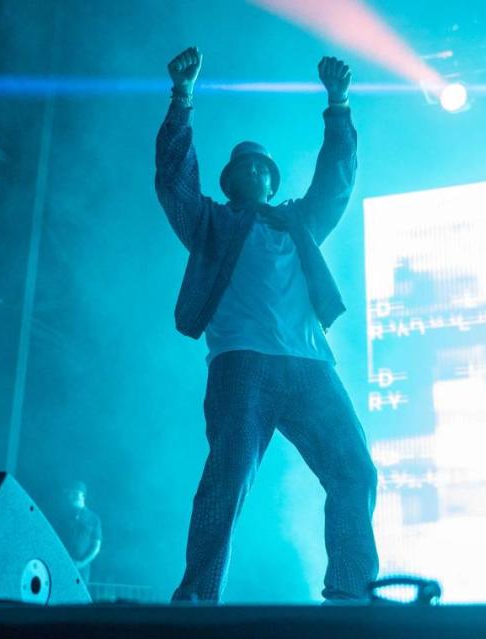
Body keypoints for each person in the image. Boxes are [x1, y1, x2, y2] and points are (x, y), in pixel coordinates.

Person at [155, 46, 378, 603]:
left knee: (354, 471)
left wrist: (339, 103)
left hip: (310, 367)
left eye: (264, 167)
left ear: (273, 182)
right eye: (244, 167)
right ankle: (198, 600)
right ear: (230, 182)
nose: (255, 171)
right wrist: (182, 100)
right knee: (226, 481)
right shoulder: (210, 222)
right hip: (243, 365)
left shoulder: (298, 223)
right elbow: (174, 181)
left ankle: (351, 593)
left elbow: (336, 181)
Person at [51, 480, 102, 584]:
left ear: (83, 496)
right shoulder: (63, 516)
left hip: (82, 569)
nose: (71, 496)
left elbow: (96, 546)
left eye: (75, 493)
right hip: (62, 565)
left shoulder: (93, 518)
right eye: (70, 493)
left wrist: (82, 563)